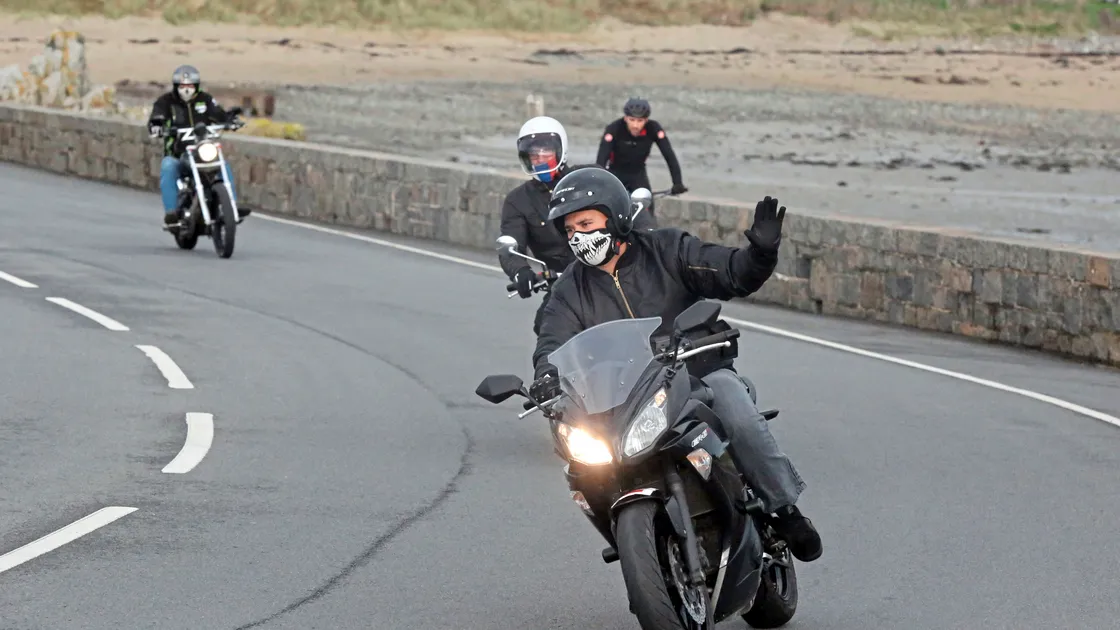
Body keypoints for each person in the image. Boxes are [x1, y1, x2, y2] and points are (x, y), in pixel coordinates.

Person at [526, 166, 822, 563]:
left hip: (695, 373)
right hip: (625, 396)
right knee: (583, 463)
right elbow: (552, 340)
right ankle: (633, 544)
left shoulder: (667, 250)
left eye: (586, 223)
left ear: (613, 217)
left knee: (739, 414)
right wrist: (546, 374)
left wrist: (760, 255)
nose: (579, 236)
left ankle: (785, 509)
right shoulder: (569, 290)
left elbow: (732, 273)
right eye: (570, 230)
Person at [500, 116, 654, 335]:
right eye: (534, 155)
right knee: (546, 327)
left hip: (611, 269)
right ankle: (551, 371)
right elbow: (510, 243)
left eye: (547, 154)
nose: (541, 160)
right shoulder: (518, 201)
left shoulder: (591, 177)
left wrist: (650, 237)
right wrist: (520, 272)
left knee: (657, 308)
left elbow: (628, 207)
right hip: (566, 284)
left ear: (561, 151)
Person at [146, 64, 247, 227]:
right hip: (179, 154)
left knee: (223, 165)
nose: (186, 89)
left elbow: (219, 114)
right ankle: (171, 212)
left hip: (203, 151)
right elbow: (157, 116)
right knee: (167, 166)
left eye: (190, 85)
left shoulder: (205, 100)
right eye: (183, 86)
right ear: (176, 86)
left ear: (197, 86)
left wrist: (230, 120)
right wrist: (157, 125)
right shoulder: (165, 102)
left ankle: (232, 206)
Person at [594, 97, 687, 220]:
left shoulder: (653, 128)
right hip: (616, 173)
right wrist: (598, 185)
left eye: (640, 121)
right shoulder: (613, 129)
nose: (636, 125)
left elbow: (669, 155)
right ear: (625, 118)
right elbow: (601, 160)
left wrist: (677, 182)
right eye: (632, 120)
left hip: (638, 174)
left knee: (648, 209)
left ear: (646, 120)